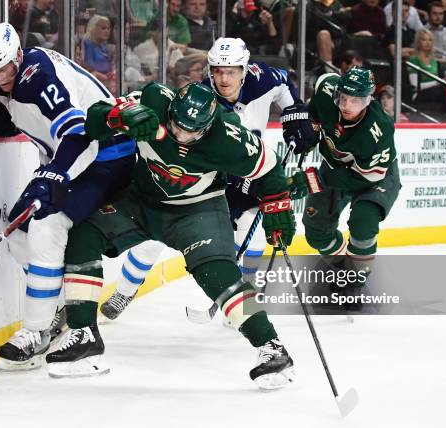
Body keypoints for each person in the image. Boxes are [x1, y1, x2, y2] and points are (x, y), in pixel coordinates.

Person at [45, 81, 296, 390]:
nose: (180, 135)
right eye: (177, 125)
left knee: (218, 275)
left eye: (191, 132)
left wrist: (278, 208)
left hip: (197, 210)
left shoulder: (230, 138)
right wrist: (119, 117)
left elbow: (270, 172)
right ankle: (84, 335)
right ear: (172, 110)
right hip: (141, 200)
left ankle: (271, 345)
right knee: (83, 235)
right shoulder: (152, 100)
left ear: (208, 126)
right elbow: (93, 118)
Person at [100, 37, 316, 321]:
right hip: (207, 179)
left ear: (244, 69)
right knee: (152, 239)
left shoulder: (263, 79)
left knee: (251, 230)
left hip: (250, 168)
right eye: (217, 71)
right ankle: (125, 291)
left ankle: (243, 297)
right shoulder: (200, 101)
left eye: (231, 71)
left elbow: (284, 83)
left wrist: (294, 111)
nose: (224, 78)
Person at [0, 23, 138, 371]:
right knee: (19, 234)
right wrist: (8, 115)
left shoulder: (38, 77)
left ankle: (36, 330)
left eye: (3, 69)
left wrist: (53, 174)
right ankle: (61, 307)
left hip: (106, 153)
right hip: (75, 155)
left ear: (17, 57)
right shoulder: (12, 77)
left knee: (46, 226)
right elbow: (34, 115)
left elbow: (78, 134)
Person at [303, 67, 401, 289]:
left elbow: (370, 175)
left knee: (363, 222)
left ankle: (355, 281)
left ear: (368, 100)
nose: (346, 105)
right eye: (343, 98)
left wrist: (312, 180)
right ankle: (342, 268)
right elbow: (313, 111)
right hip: (334, 166)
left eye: (355, 101)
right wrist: (303, 126)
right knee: (316, 231)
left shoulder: (379, 129)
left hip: (377, 176)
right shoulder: (327, 90)